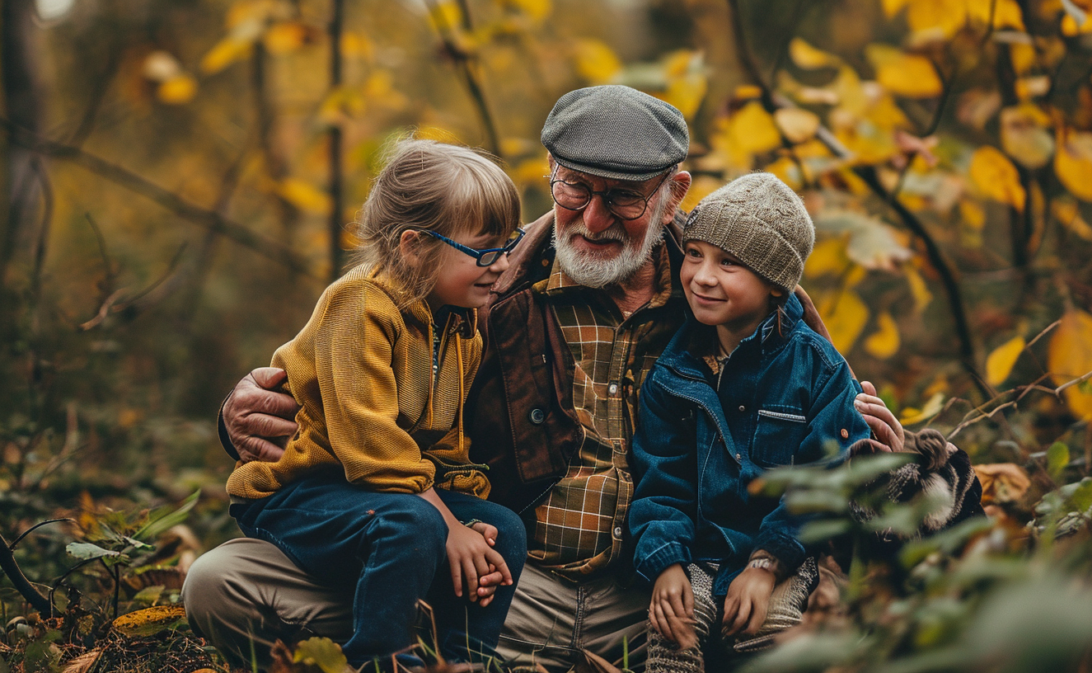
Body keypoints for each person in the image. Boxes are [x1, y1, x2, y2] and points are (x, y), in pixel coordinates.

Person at [183, 86, 944, 673]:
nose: (594, 217)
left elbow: (821, 423)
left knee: (833, 622)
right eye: (575, 189)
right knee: (221, 582)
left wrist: (879, 445)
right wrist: (238, 414)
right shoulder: (482, 277)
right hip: (502, 584)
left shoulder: (733, 287)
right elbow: (349, 365)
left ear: (675, 193)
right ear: (549, 175)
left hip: (660, 592)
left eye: (624, 196)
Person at [211, 138, 528, 671]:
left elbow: (444, 441)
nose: (500, 265)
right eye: (483, 249)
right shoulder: (358, 306)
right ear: (413, 246)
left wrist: (467, 516)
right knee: (413, 525)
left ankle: (461, 658)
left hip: (386, 492)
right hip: (303, 490)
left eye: (508, 245)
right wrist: (447, 525)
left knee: (505, 529)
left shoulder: (459, 323)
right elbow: (367, 439)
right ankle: (382, 659)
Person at [629, 173, 869, 672]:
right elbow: (659, 477)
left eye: (729, 263)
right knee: (674, 620)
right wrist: (666, 560)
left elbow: (830, 478)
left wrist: (766, 564)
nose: (702, 276)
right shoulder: (675, 371)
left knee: (774, 624)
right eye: (694, 253)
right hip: (698, 553)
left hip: (788, 553)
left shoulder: (817, 368)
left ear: (776, 285)